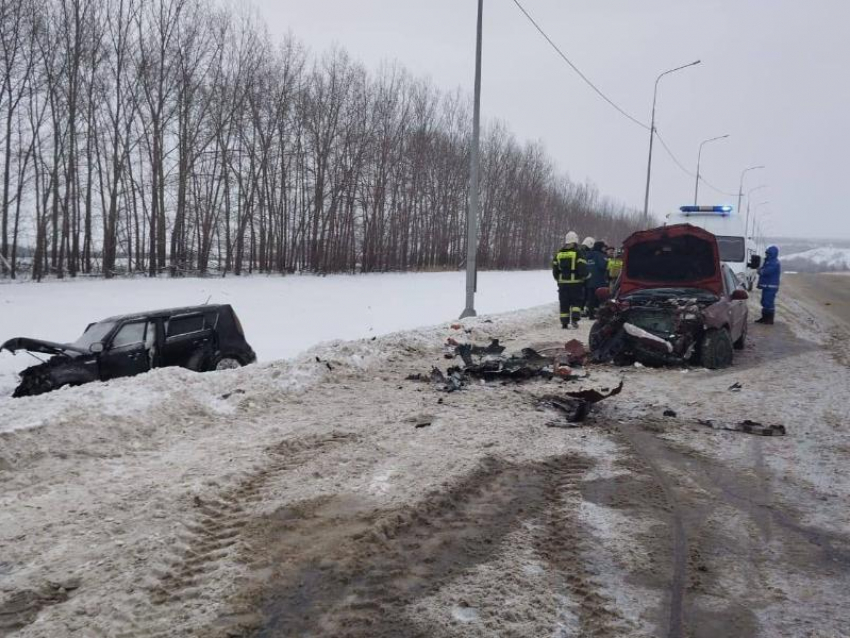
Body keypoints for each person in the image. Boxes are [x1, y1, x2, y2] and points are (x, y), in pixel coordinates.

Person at [552, 232, 588, 329]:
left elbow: (555, 269)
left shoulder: (559, 253)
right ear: (575, 241)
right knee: (576, 302)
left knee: (564, 302)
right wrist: (583, 276)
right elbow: (582, 267)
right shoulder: (578, 252)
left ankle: (564, 323)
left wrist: (558, 279)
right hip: (576, 283)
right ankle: (575, 320)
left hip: (563, 284)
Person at [756, 246, 781, 324]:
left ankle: (769, 319)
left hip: (770, 286)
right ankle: (764, 318)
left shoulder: (774, 262)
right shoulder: (768, 261)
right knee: (764, 302)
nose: (766, 255)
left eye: (768, 253)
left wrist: (760, 271)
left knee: (768, 303)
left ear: (772, 254)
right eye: (766, 253)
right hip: (767, 285)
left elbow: (766, 271)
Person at [584, 240, 609, 319]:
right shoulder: (600, 255)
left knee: (591, 298)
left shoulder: (588, 255)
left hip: (589, 280)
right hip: (599, 281)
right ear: (600, 247)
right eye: (603, 247)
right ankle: (598, 314)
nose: (605, 249)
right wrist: (607, 262)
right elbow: (603, 266)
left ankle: (591, 314)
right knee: (599, 298)